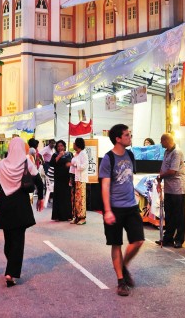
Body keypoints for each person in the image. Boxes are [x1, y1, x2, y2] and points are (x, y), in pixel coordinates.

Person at [0, 137, 44, 286]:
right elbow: (38, 181)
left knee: (9, 239)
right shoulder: (26, 162)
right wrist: (41, 198)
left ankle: (11, 267)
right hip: (21, 204)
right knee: (18, 240)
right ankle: (11, 272)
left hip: (5, 204)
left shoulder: (1, 165)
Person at [99, 124, 144, 297]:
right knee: (116, 243)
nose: (129, 137)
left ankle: (123, 266)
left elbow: (128, 179)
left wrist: (134, 193)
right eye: (126, 135)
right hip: (115, 208)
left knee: (138, 240)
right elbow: (105, 186)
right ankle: (120, 281)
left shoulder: (130, 155)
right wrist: (108, 211)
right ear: (118, 138)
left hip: (131, 206)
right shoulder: (108, 159)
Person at [156, 133, 185, 249]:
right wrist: (160, 177)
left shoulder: (176, 152)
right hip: (169, 188)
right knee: (168, 214)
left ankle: (179, 239)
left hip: (178, 187)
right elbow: (164, 167)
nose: (160, 143)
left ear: (166, 141)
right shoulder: (166, 152)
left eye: (161, 141)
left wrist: (161, 176)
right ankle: (168, 237)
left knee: (178, 215)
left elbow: (173, 170)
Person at [50, 140, 73, 221]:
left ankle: (68, 215)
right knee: (59, 196)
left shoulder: (69, 154)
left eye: (61, 146)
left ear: (64, 146)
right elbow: (52, 163)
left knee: (67, 196)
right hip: (58, 178)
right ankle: (58, 216)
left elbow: (72, 163)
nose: (60, 147)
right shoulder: (55, 155)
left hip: (67, 177)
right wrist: (59, 156)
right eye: (58, 146)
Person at [70, 137, 89, 225]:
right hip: (74, 178)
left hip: (81, 179)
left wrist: (74, 164)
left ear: (78, 145)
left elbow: (84, 166)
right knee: (74, 198)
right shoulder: (76, 154)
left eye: (74, 143)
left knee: (80, 198)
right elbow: (72, 167)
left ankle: (82, 217)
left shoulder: (83, 154)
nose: (73, 145)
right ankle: (76, 216)